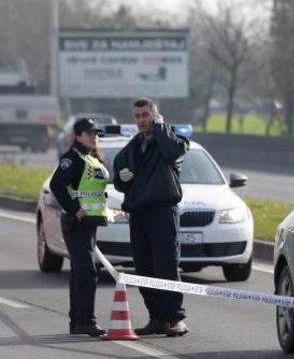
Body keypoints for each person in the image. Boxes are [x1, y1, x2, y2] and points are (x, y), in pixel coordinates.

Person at [113, 98, 190, 336]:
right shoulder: (132, 147)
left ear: (155, 115)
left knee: (166, 265)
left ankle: (175, 319)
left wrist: (160, 129)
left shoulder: (169, 140)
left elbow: (173, 152)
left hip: (162, 210)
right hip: (139, 212)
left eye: (146, 115)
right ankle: (156, 317)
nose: (141, 120)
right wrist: (120, 179)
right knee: (144, 267)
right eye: (137, 116)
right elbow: (118, 176)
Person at [49, 118, 109, 337]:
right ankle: (85, 321)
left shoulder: (91, 158)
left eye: (95, 133)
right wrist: (75, 209)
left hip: (90, 222)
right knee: (86, 273)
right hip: (77, 223)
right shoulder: (72, 158)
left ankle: (78, 321)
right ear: (77, 135)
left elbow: (92, 189)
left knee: (81, 272)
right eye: (89, 133)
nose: (94, 136)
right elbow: (57, 185)